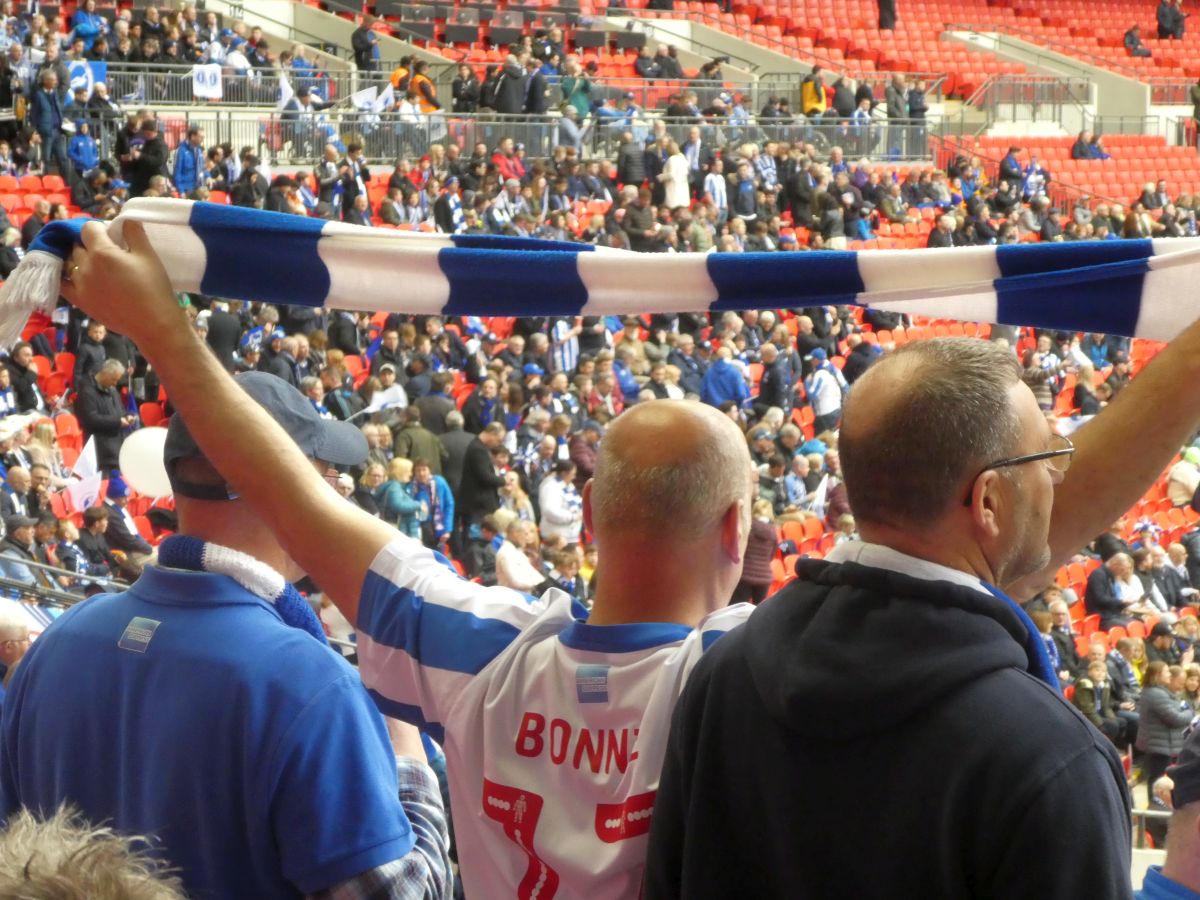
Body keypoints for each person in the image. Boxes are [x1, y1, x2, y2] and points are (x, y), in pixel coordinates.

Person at [58, 216, 1200, 896]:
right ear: (733, 533)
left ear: (592, 517)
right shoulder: (752, 674)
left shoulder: (479, 655)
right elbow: (1020, 533)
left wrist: (164, 327)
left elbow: (297, 503)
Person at [642, 331, 1200, 899]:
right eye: (1049, 457)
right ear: (988, 501)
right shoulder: (1052, 758)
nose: (1057, 479)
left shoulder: (721, 676)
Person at [0, 372, 452, 899]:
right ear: (286, 483)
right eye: (327, 478)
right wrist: (406, 748)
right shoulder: (311, 684)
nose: (336, 497)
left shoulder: (56, 640)